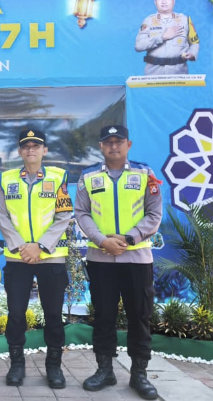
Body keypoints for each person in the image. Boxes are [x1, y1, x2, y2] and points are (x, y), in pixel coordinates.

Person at [76, 125, 163, 400]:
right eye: (108, 142)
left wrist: (129, 238)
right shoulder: (88, 176)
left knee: (140, 316)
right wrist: (102, 240)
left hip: (137, 258)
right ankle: (105, 370)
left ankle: (139, 374)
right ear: (101, 146)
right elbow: (82, 213)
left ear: (129, 144)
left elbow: (154, 213)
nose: (114, 146)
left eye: (119, 141)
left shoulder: (145, 173)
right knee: (103, 316)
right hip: (101, 258)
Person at [0, 129, 74, 388]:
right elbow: (2, 216)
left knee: (53, 314)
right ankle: (17, 365)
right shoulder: (7, 179)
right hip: (17, 258)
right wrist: (21, 246)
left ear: (44, 150)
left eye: (36, 145)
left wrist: (40, 246)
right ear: (20, 151)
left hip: (50, 257)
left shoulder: (58, 177)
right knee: (16, 314)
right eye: (26, 146)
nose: (31, 149)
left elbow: (64, 215)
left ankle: (54, 367)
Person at [135, 0, 199, 76]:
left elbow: (194, 43)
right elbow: (139, 46)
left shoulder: (185, 20)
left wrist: (192, 53)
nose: (164, 1)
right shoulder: (148, 21)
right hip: (153, 73)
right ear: (155, 2)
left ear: (174, 1)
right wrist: (162, 37)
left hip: (179, 73)